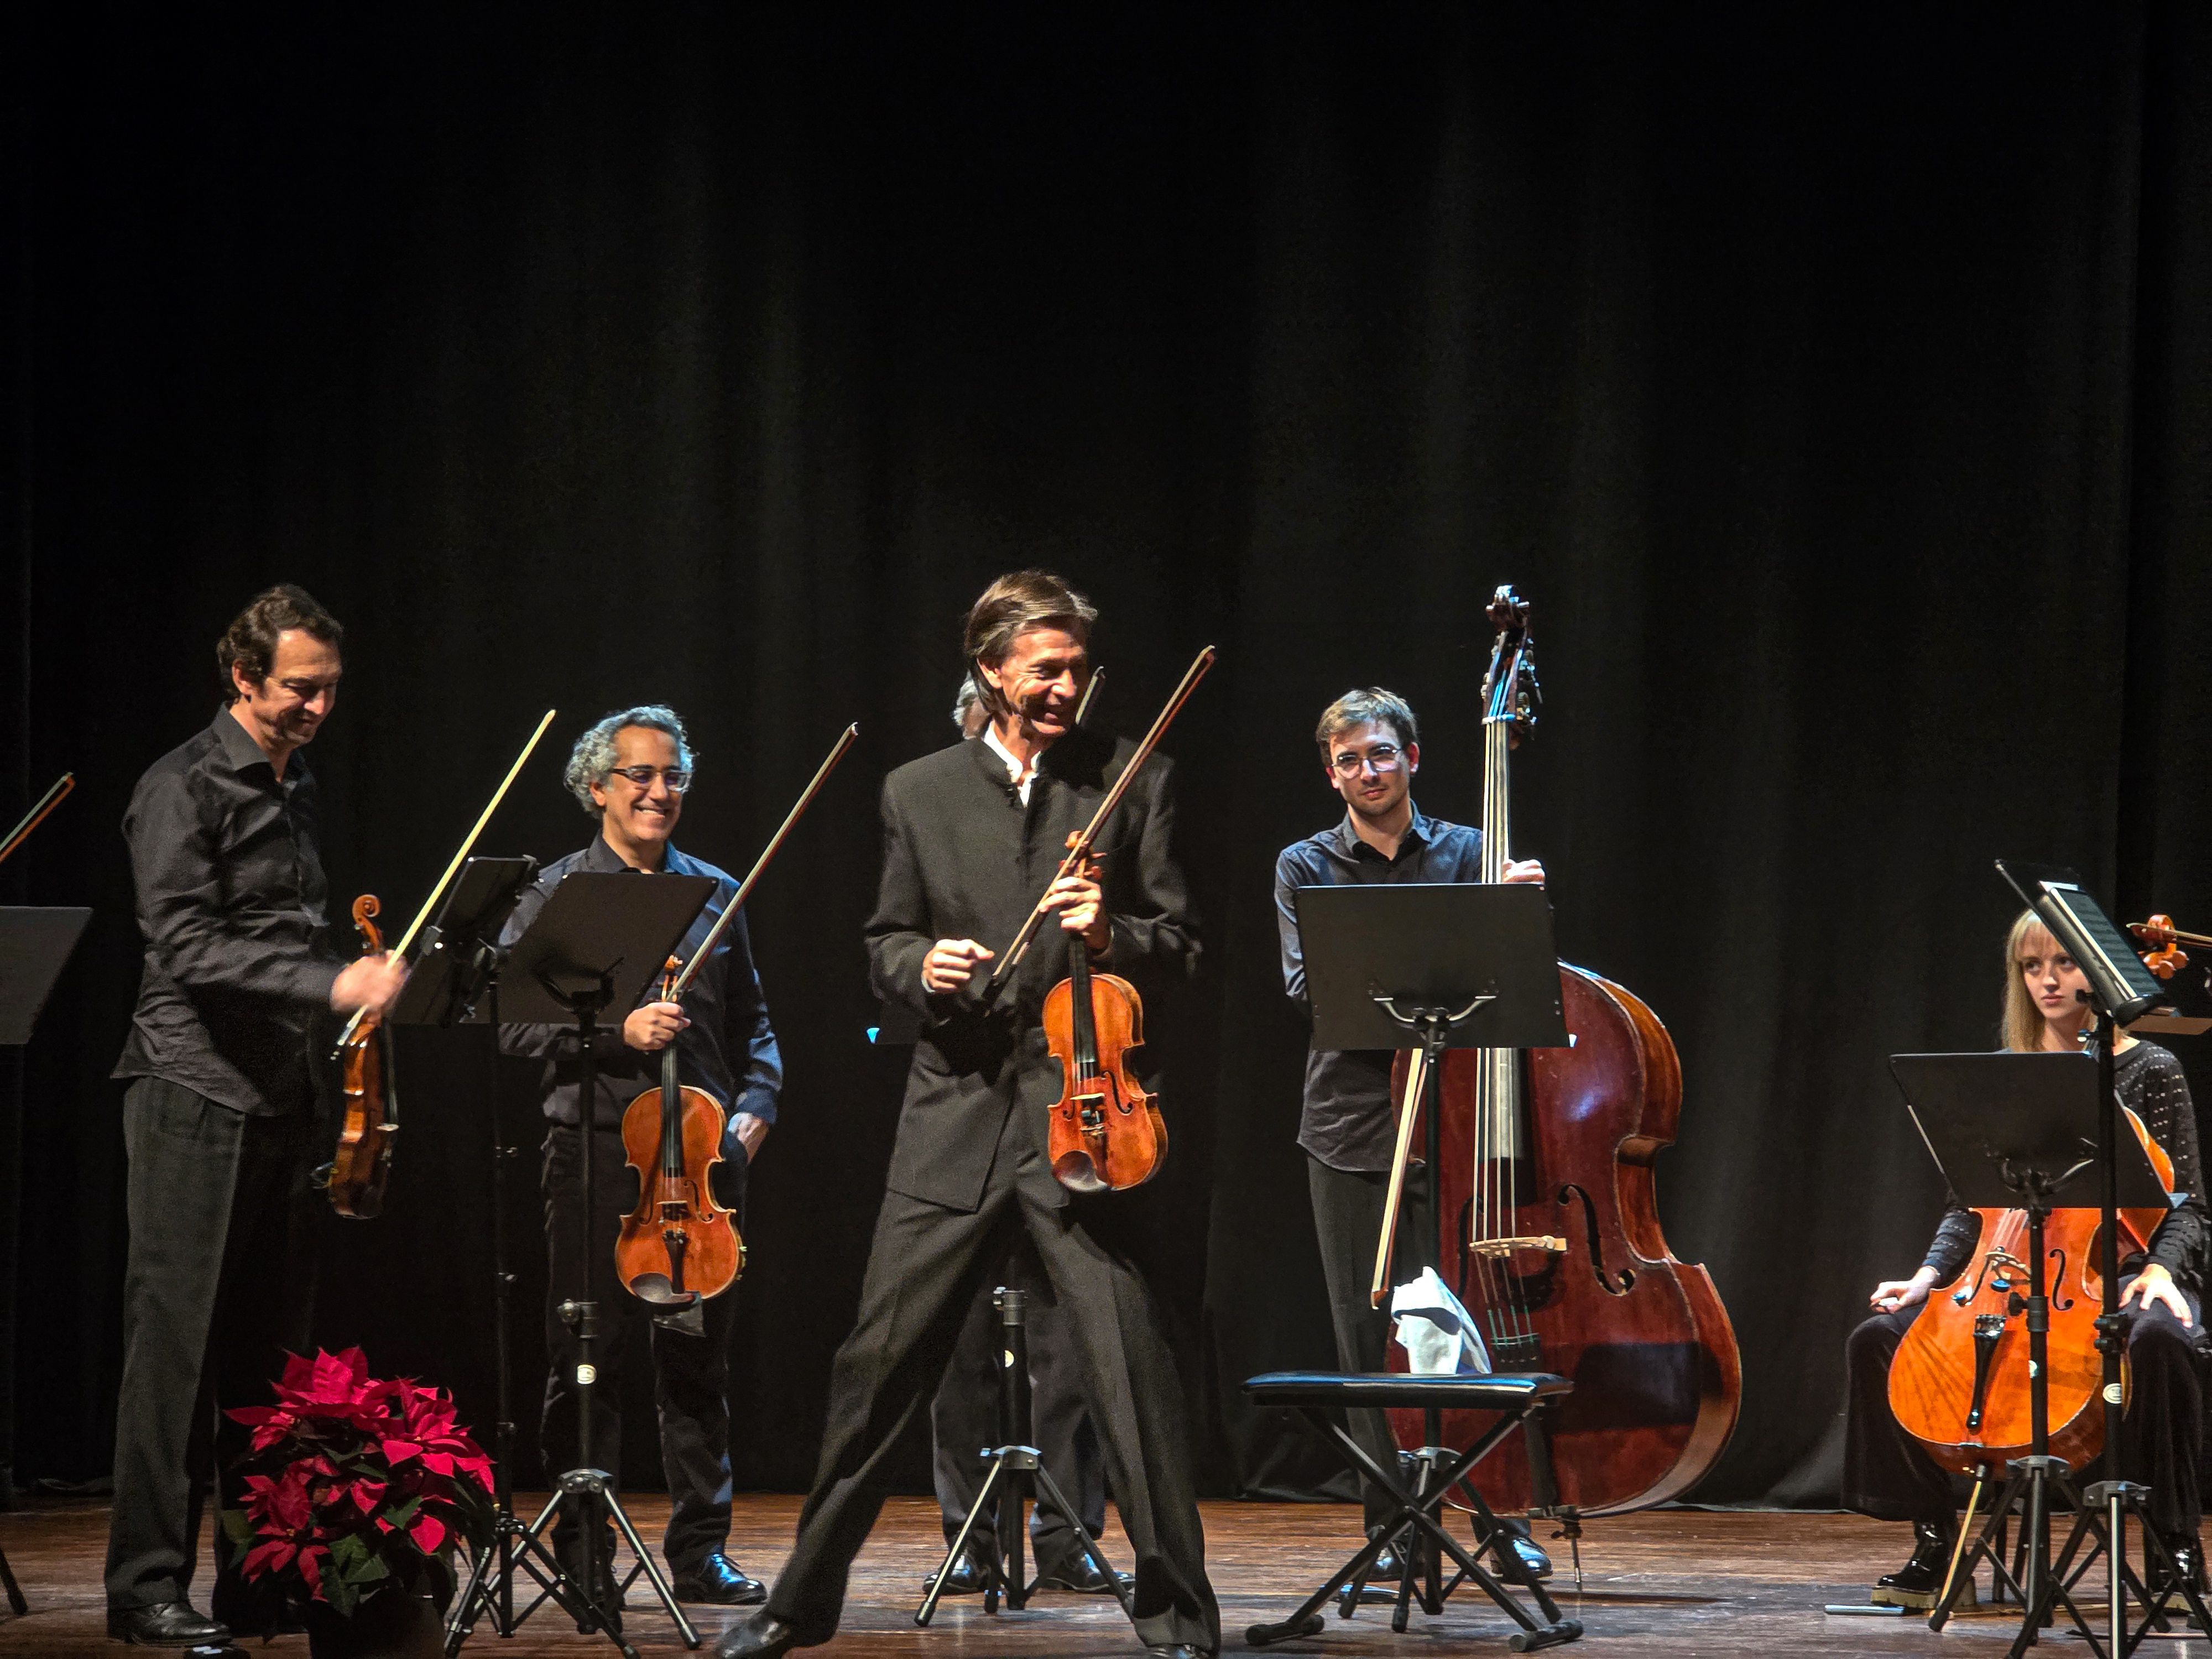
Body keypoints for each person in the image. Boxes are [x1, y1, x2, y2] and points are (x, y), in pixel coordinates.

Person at [719, 571, 1218, 1659]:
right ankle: (793, 1607)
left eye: (1075, 671)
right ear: (989, 670)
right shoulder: (917, 791)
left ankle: (1180, 1616)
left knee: (1129, 1369)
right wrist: (918, 965)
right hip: (951, 1116)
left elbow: (1179, 947)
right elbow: (881, 940)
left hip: (1086, 1120)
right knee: (873, 1366)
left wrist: (1113, 933)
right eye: (1043, 670)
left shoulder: (1133, 781)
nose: (1063, 688)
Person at [106, 585, 407, 1647]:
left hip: (284, 1093)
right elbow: (185, 946)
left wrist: (340, 979)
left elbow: (288, 930)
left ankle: (259, 1577)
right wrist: (331, 985)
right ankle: (145, 1585)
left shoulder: (298, 785)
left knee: (269, 1362)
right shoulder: (180, 788)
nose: (318, 707)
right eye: (298, 689)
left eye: (329, 689)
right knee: (176, 1352)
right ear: (242, 679)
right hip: (192, 1086)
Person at [500, 706, 782, 1613]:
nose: (660, 792)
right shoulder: (555, 894)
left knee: (699, 1362)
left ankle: (702, 1553)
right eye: (640, 776)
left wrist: (757, 1106)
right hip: (592, 1148)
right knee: (589, 1352)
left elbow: (757, 1028)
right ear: (597, 788)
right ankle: (585, 1559)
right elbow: (508, 1022)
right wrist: (615, 1029)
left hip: (701, 1161)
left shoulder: (718, 891)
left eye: (673, 778)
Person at [1842, 910, 2209, 1608]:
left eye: (2064, 963)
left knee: (2164, 1340)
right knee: (1877, 1342)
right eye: (2031, 966)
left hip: (2116, 1273)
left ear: (2098, 973)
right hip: (1999, 1276)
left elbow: (2185, 1202)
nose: (2047, 979)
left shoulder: (2151, 1069)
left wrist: (2162, 1270)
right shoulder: (2006, 1073)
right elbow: (1966, 1207)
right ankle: (1935, 1541)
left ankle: (2175, 1544)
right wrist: (1926, 1278)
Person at [1273, 687, 1550, 1581]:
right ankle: (1392, 1524)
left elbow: (1512, 986)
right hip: (1351, 1127)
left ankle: (1498, 1517)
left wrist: (1516, 918)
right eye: (1350, 759)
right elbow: (1310, 992)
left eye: (1382, 753)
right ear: (1331, 773)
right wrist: (1438, 963)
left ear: (1414, 758)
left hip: (1462, 1125)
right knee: (1372, 1337)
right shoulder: (1305, 866)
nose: (1368, 771)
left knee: (1471, 1332)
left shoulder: (1473, 851)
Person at [926, 679, 1118, 1597]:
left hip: (1069, 1111)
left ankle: (1070, 1532)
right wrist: (927, 980)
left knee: (1069, 1340)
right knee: (957, 1338)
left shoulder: (1079, 831)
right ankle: (968, 1534)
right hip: (965, 1111)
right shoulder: (932, 833)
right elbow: (882, 985)